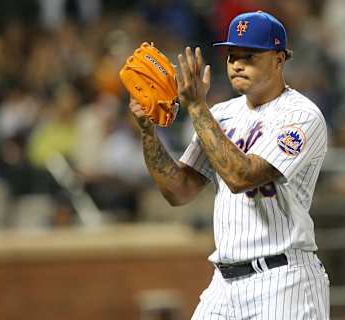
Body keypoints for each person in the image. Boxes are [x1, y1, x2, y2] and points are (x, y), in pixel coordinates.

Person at [129, 11, 330, 320]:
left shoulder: (301, 115)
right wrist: (147, 131)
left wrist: (197, 106)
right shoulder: (221, 114)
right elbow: (177, 190)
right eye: (232, 55)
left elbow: (241, 176)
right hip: (223, 284)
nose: (237, 64)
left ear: (279, 59)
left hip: (283, 280)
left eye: (249, 56)